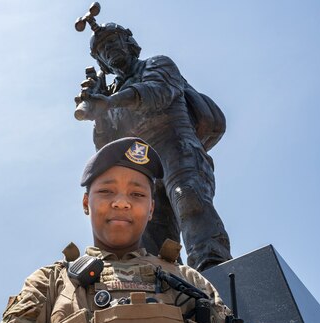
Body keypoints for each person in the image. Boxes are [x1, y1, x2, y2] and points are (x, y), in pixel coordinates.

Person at [0, 137, 278, 323]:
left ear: (151, 209)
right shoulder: (50, 281)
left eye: (137, 194)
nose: (121, 202)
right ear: (86, 203)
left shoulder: (190, 280)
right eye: (107, 191)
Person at [75, 21, 231, 272]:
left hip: (177, 148)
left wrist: (111, 101)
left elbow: (156, 92)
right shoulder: (110, 95)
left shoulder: (157, 64)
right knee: (148, 234)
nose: (109, 51)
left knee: (188, 197)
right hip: (143, 169)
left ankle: (213, 267)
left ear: (129, 44)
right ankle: (164, 287)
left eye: (113, 42)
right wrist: (98, 112)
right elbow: (107, 147)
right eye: (103, 50)